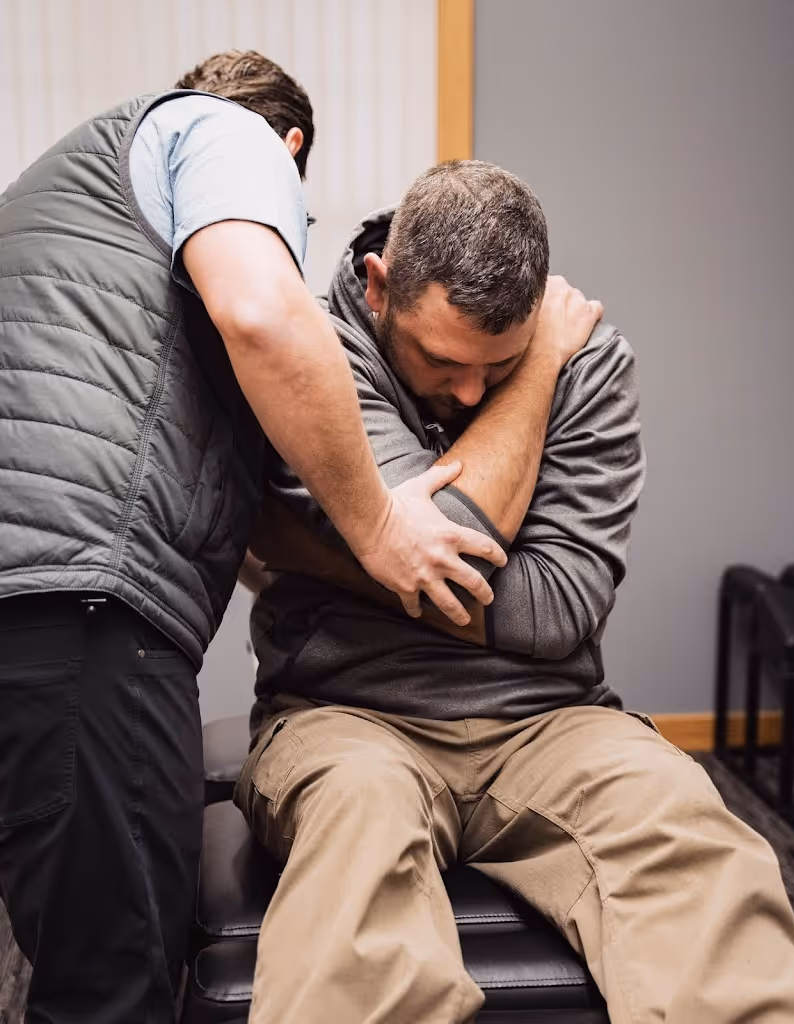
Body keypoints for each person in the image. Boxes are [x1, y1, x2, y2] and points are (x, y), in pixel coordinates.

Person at [238, 160, 794, 1024]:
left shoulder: (589, 363)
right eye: (442, 360)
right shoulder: (310, 358)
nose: (470, 391)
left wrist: (324, 552)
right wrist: (532, 371)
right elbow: (440, 556)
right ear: (376, 288)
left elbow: (554, 609)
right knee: (358, 837)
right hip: (344, 715)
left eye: (500, 366)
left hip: (552, 720)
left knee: (693, 838)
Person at [0, 52, 506, 1023]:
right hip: (82, 608)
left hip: (46, 604)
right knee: (114, 983)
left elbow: (237, 494)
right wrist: (379, 524)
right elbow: (265, 314)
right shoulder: (222, 135)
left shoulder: (73, 206)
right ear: (294, 150)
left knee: (76, 941)